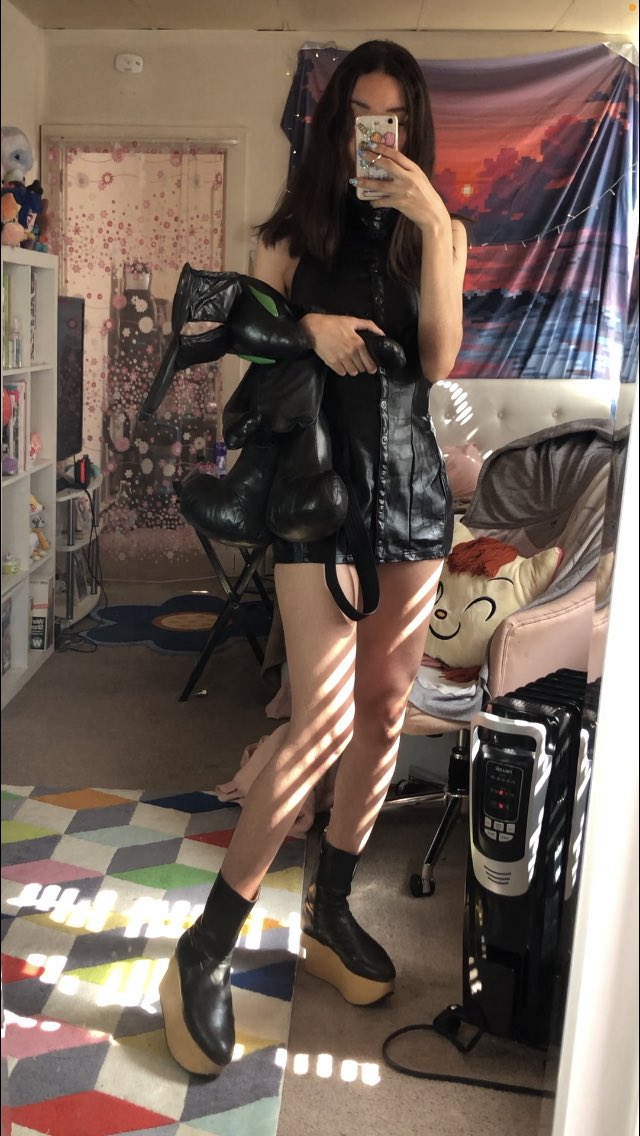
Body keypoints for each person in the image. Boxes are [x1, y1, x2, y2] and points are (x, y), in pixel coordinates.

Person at [159, 39, 468, 1077]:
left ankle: (330, 908)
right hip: (314, 495)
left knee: (383, 712)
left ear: (415, 131)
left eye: (395, 121)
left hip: (411, 499)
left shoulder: (441, 233)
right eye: (362, 119)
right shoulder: (295, 234)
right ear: (338, 129)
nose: (379, 137)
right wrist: (311, 327)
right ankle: (207, 945)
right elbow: (249, 354)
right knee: (322, 716)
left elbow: (435, 362)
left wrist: (431, 220)